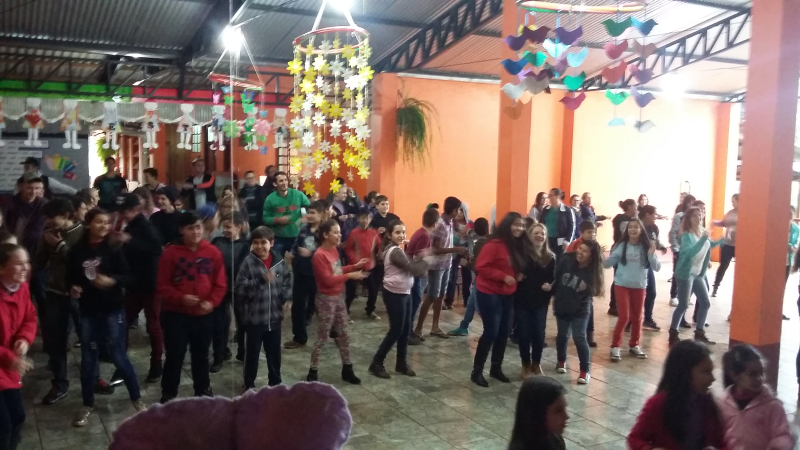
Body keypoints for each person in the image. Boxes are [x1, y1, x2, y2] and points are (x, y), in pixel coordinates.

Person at [67, 209, 145, 427]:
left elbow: (128, 276)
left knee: (118, 355)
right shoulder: (77, 251)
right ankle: (87, 404)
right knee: (88, 357)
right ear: (88, 224)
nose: (104, 226)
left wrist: (112, 281)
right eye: (99, 222)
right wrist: (73, 288)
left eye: (106, 222)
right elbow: (70, 277)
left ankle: (136, 398)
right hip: (88, 310)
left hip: (112, 309)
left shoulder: (113, 248)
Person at [156, 211, 226, 403]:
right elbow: (162, 285)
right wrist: (181, 298)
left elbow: (220, 284)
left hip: (203, 315)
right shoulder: (170, 253)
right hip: (177, 315)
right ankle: (169, 393)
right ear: (182, 230)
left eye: (198, 227)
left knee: (201, 356)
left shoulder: (212, 252)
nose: (195, 232)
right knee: (174, 355)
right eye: (190, 228)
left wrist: (211, 302)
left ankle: (202, 390)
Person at [628, 341, 726, 450]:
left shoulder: (708, 404)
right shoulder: (658, 404)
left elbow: (721, 441)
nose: (712, 378)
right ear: (685, 372)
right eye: (706, 371)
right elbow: (635, 438)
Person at [108, 194, 164, 385]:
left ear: (135, 210)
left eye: (126, 211)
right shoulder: (129, 225)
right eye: (122, 211)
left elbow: (156, 248)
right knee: (122, 323)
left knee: (153, 326)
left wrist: (129, 240)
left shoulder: (145, 226)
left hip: (150, 285)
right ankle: (122, 365)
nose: (123, 214)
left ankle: (156, 364)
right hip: (133, 284)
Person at [34, 199, 83, 405]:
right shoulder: (49, 234)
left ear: (66, 215)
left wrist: (61, 246)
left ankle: (94, 378)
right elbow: (39, 262)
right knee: (55, 341)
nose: (48, 221)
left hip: (81, 295)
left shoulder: (83, 233)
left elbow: (84, 263)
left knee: (88, 338)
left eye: (51, 217)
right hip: (55, 293)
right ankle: (60, 383)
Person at [470, 212, 528, 387]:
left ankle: (496, 367)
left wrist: (517, 274)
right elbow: (481, 267)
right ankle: (477, 371)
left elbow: (513, 265)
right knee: (491, 331)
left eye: (522, 225)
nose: (519, 228)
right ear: (507, 225)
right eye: (516, 224)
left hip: (507, 293)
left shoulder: (517, 244)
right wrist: (503, 276)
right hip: (489, 292)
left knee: (504, 331)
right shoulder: (494, 244)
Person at [307, 220, 368, 384]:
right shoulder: (319, 255)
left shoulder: (334, 250)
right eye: (335, 232)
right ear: (325, 235)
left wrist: (354, 266)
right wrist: (350, 275)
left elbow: (337, 271)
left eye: (339, 232)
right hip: (326, 300)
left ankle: (347, 369)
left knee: (344, 335)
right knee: (323, 336)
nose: (339, 235)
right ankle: (313, 371)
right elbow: (327, 280)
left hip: (339, 297)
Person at [368, 220, 429, 379]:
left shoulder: (398, 249)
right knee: (396, 331)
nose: (401, 235)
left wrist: (420, 260)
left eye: (403, 232)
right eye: (397, 232)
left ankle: (401, 363)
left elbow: (410, 266)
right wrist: (427, 260)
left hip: (404, 292)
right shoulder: (395, 251)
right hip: (395, 295)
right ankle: (376, 362)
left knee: (405, 329)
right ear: (389, 235)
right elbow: (414, 270)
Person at [235, 226, 291, 390]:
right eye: (256, 242)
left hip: (274, 317)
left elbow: (287, 281)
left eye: (263, 242)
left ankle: (275, 382)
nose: (259, 246)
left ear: (271, 243)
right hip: (254, 319)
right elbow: (239, 288)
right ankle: (249, 384)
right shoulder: (247, 263)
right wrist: (260, 280)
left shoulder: (279, 262)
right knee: (252, 354)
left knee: (274, 353)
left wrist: (287, 298)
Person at [603, 218, 660, 361]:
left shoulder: (646, 246)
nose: (633, 230)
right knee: (624, 317)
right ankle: (615, 346)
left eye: (636, 227)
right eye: (630, 227)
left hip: (639, 286)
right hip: (622, 285)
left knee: (637, 317)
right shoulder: (621, 245)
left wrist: (651, 255)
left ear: (641, 230)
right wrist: (600, 256)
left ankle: (634, 344)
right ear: (627, 230)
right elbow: (607, 264)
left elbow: (657, 267)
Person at [718, 344, 794, 450]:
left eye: (761, 372)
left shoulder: (772, 406)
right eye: (752, 374)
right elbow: (719, 435)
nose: (760, 378)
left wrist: (778, 446)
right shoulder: (723, 403)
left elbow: (783, 435)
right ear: (734, 376)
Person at [414, 197, 468, 340]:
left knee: (440, 296)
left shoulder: (450, 222)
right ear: (454, 210)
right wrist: (456, 249)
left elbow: (451, 240)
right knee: (432, 295)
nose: (459, 212)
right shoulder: (440, 224)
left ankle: (435, 327)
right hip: (437, 266)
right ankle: (418, 328)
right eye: (459, 209)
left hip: (446, 264)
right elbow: (436, 249)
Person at [668, 207, 722, 347]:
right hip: (685, 273)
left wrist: (723, 240)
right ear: (689, 219)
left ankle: (699, 333)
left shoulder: (702, 231)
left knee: (705, 302)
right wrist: (704, 238)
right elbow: (690, 253)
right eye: (695, 216)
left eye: (700, 214)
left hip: (698, 273)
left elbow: (709, 244)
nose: (699, 217)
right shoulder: (686, 236)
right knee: (683, 304)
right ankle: (673, 334)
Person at [552, 239, 604, 385]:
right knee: (562, 335)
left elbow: (594, 291)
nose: (580, 253)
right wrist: (551, 289)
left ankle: (584, 371)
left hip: (580, 308)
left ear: (592, 256)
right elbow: (556, 277)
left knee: (579, 337)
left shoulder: (593, 272)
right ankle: (561, 360)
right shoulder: (566, 260)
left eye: (585, 251)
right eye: (580, 249)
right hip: (562, 303)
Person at [0, 244, 36, 450]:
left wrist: (24, 339)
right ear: (2, 268)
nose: (26, 268)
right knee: (3, 425)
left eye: (27, 262)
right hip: (5, 363)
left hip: (7, 369)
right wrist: (10, 359)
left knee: (18, 417)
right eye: (19, 263)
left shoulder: (21, 288)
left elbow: (30, 316)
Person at [210, 211, 250, 370]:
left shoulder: (245, 246)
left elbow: (242, 267)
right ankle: (219, 355)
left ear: (238, 227)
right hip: (219, 287)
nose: (225, 230)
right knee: (219, 323)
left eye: (228, 227)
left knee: (242, 322)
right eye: (224, 227)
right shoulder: (217, 241)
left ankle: (242, 351)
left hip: (237, 288)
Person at [515, 223, 555, 378]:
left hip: (540, 302)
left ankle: (536, 364)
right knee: (524, 334)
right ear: (530, 236)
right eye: (536, 233)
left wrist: (550, 286)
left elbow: (554, 279)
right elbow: (517, 274)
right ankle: (525, 364)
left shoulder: (550, 258)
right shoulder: (522, 255)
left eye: (542, 233)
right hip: (523, 300)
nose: (540, 236)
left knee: (539, 334)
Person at [284, 201, 326, 350]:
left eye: (313, 213)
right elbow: (296, 245)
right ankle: (299, 337)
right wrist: (292, 254)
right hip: (301, 272)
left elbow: (329, 251)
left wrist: (312, 253)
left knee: (322, 306)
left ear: (321, 214)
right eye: (309, 212)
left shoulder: (325, 231)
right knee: (298, 306)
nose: (310, 215)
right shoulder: (303, 229)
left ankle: (334, 332)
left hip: (318, 274)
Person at [448, 217, 489, 337]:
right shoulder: (489, 242)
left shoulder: (479, 245)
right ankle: (464, 326)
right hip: (480, 279)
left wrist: (467, 263)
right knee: (471, 303)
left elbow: (477, 266)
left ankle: (490, 329)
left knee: (478, 306)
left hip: (481, 279)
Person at [509, 376, 569, 450]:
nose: (566, 416)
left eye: (565, 407)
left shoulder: (554, 439)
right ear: (538, 413)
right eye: (558, 410)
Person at [407, 208, 438, 344]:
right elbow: (416, 257)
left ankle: (409, 331)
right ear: (435, 223)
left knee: (415, 301)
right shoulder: (424, 235)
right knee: (414, 302)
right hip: (414, 273)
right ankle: (407, 333)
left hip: (414, 272)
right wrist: (427, 258)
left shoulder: (421, 232)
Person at [565, 220, 598, 348]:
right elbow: (567, 261)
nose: (592, 235)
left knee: (589, 308)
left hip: (587, 282)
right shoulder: (574, 245)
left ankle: (589, 334)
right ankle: (565, 330)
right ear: (581, 233)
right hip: (573, 282)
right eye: (589, 232)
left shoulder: (595, 246)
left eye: (594, 232)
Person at [262, 171, 310, 258]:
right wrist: (278, 220)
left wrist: (305, 217)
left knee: (298, 262)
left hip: (297, 236)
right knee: (276, 261)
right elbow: (265, 218)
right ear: (275, 184)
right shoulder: (270, 199)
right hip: (279, 238)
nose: (284, 183)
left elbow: (310, 208)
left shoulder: (298, 194)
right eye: (281, 181)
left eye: (285, 180)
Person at [343, 211, 380, 318]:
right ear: (358, 219)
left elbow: (379, 245)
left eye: (368, 218)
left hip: (370, 266)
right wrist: (355, 261)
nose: (365, 220)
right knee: (351, 292)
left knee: (373, 291)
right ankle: (345, 312)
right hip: (355, 266)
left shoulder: (374, 233)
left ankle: (370, 310)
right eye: (363, 218)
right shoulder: (354, 233)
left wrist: (379, 253)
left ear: (371, 219)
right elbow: (348, 248)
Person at [607, 199, 638, 316]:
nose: (636, 209)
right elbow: (627, 234)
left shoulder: (629, 219)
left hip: (624, 250)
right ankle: (614, 306)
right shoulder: (623, 220)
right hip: (620, 251)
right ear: (629, 207)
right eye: (635, 206)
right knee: (618, 278)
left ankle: (620, 305)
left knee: (622, 278)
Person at [639, 205, 668, 331]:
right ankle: (630, 320)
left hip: (648, 263)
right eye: (654, 214)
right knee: (636, 293)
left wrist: (661, 246)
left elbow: (655, 241)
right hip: (636, 263)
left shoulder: (654, 228)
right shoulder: (637, 226)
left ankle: (648, 319)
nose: (656, 217)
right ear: (647, 214)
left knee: (651, 291)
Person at [669, 194, 697, 305]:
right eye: (688, 203)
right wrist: (675, 249)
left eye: (692, 203)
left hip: (690, 250)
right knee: (677, 273)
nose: (690, 205)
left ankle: (685, 297)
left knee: (689, 273)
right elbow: (673, 233)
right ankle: (673, 296)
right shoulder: (679, 216)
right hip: (680, 249)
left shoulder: (695, 217)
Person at [444, 203, 473, 309]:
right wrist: (460, 235)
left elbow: (474, 237)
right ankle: (449, 301)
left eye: (461, 210)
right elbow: (451, 239)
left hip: (466, 252)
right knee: (452, 275)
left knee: (467, 275)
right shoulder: (451, 223)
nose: (459, 213)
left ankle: (467, 300)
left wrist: (469, 233)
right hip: (454, 251)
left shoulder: (470, 223)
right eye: (458, 210)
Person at [711, 194, 738, 298]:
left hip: (739, 245)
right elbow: (724, 223)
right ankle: (715, 287)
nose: (732, 203)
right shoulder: (730, 213)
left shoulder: (745, 213)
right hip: (727, 243)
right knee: (723, 266)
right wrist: (714, 222)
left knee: (740, 268)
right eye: (732, 202)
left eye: (734, 201)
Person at [539, 189, 575, 260]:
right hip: (546, 239)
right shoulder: (546, 209)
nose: (549, 198)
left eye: (551, 195)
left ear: (557, 196)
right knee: (546, 259)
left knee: (558, 260)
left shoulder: (567, 210)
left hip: (560, 242)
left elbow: (571, 227)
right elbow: (540, 223)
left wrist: (567, 241)